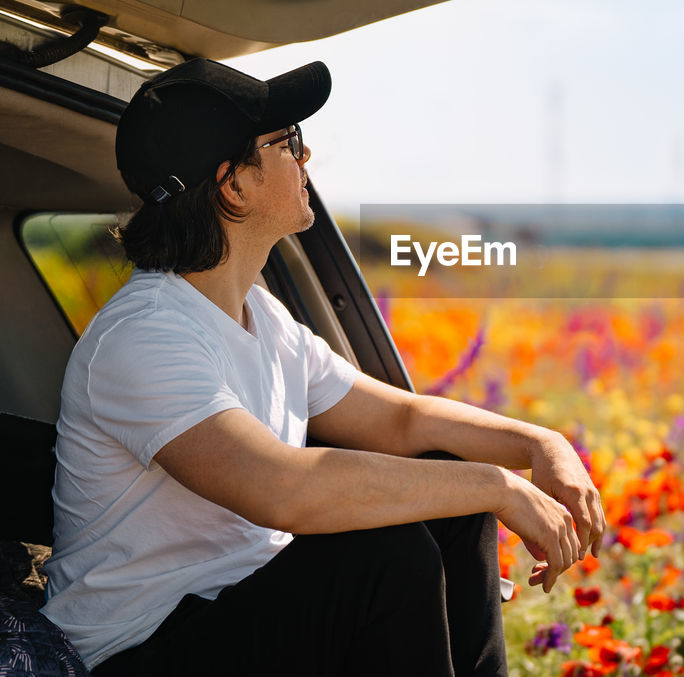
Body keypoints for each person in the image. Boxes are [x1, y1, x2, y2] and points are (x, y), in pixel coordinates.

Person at [40, 59, 604, 676]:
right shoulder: (143, 335)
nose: (306, 160)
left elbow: (404, 421)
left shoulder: (260, 312)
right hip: (143, 648)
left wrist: (538, 444)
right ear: (233, 185)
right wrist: (499, 486)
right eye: (288, 145)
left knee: (449, 491)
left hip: (238, 606)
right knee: (383, 551)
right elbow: (282, 489)